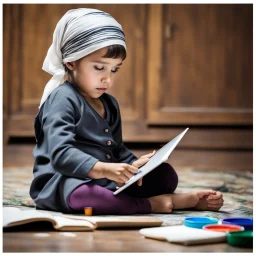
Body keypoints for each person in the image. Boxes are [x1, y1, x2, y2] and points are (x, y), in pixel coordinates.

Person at [29, 8, 224, 215]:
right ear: (71, 61)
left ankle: (129, 197)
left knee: (166, 175)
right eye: (99, 68)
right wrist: (104, 169)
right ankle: (158, 204)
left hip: (106, 179)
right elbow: (61, 154)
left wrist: (135, 165)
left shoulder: (109, 103)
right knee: (87, 196)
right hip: (64, 182)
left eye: (114, 69)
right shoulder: (62, 99)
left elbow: (117, 150)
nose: (108, 79)